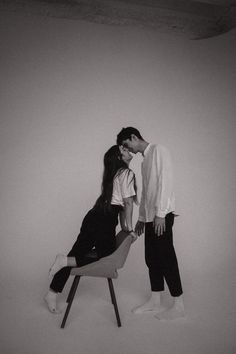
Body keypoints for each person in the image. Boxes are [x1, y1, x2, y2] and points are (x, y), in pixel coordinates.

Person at [44, 145, 137, 313]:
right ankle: (63, 262)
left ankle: (52, 292)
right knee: (106, 255)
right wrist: (130, 228)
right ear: (119, 158)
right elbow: (128, 204)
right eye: (123, 150)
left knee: (76, 254)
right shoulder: (127, 174)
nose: (127, 150)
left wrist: (124, 226)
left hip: (94, 215)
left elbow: (122, 207)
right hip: (104, 219)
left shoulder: (115, 174)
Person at [116, 127, 185, 320]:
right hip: (150, 218)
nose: (127, 150)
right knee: (151, 258)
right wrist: (141, 218)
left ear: (134, 137)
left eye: (126, 145)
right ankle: (155, 301)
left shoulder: (159, 150)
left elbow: (166, 182)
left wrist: (161, 214)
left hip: (161, 216)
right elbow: (146, 193)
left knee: (166, 257)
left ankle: (178, 305)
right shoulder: (145, 160)